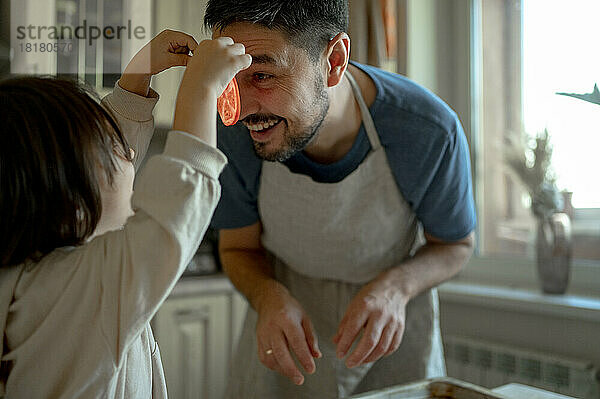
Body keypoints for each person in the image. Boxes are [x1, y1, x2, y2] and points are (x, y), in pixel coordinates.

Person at [204, 1, 476, 398]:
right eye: (230, 76)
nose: (239, 107)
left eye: (262, 75)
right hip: (284, 337)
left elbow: (456, 246)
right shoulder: (233, 131)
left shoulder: (428, 131)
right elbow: (237, 247)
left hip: (392, 335)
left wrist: (396, 288)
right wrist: (267, 296)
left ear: (333, 60)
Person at [0, 30, 251, 397]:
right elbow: (173, 212)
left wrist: (138, 75)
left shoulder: (30, 274)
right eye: (116, 150)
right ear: (72, 202)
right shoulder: (81, 292)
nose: (129, 153)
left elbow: (97, 179)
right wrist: (200, 89)